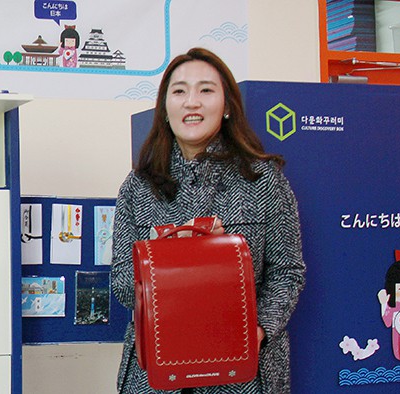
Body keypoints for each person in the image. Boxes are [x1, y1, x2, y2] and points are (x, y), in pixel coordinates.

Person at [111, 47, 306, 393]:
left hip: (242, 371)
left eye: (206, 90)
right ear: (165, 108)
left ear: (228, 106)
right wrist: (166, 258)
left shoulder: (264, 181)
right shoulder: (138, 187)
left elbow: (287, 273)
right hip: (156, 373)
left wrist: (254, 332)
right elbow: (124, 283)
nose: (192, 102)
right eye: (179, 91)